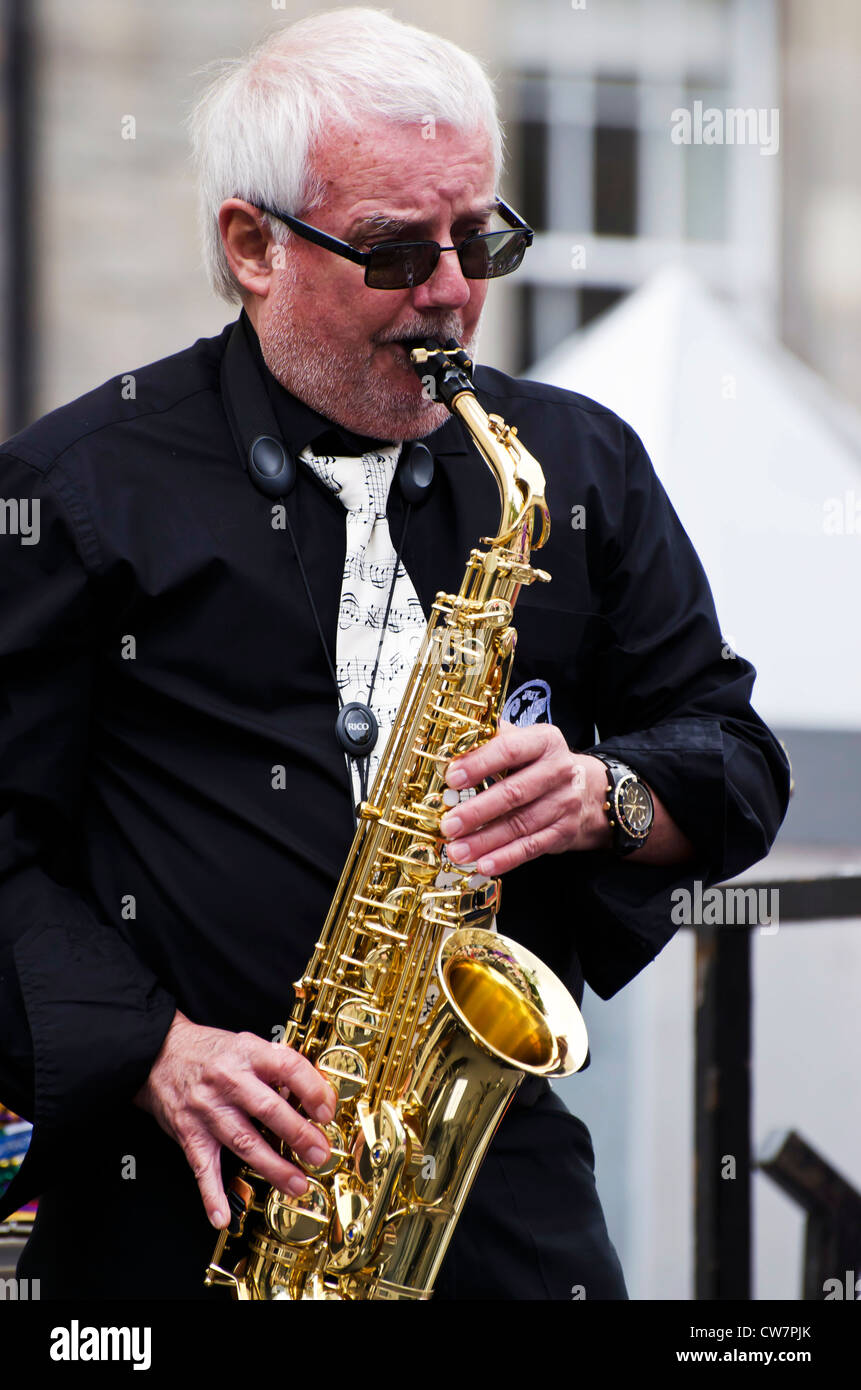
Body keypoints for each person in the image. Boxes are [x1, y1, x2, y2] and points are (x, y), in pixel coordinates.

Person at [0, 9, 790, 1300]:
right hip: (181, 1201)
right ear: (249, 244)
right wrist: (150, 1045)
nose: (450, 294)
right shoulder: (78, 490)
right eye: (392, 251)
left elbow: (736, 754)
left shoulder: (570, 465)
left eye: (477, 238)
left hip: (493, 1185)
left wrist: (609, 795)